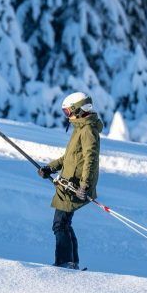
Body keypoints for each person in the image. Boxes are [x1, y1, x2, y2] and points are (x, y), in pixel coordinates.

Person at [38, 92, 103, 269]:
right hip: (69, 183)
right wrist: (50, 167)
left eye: (68, 112)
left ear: (77, 109)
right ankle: (71, 262)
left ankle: (65, 262)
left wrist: (85, 185)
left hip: (75, 186)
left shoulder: (88, 130)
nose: (68, 116)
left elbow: (91, 159)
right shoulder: (81, 128)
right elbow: (69, 157)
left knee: (59, 225)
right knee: (64, 223)